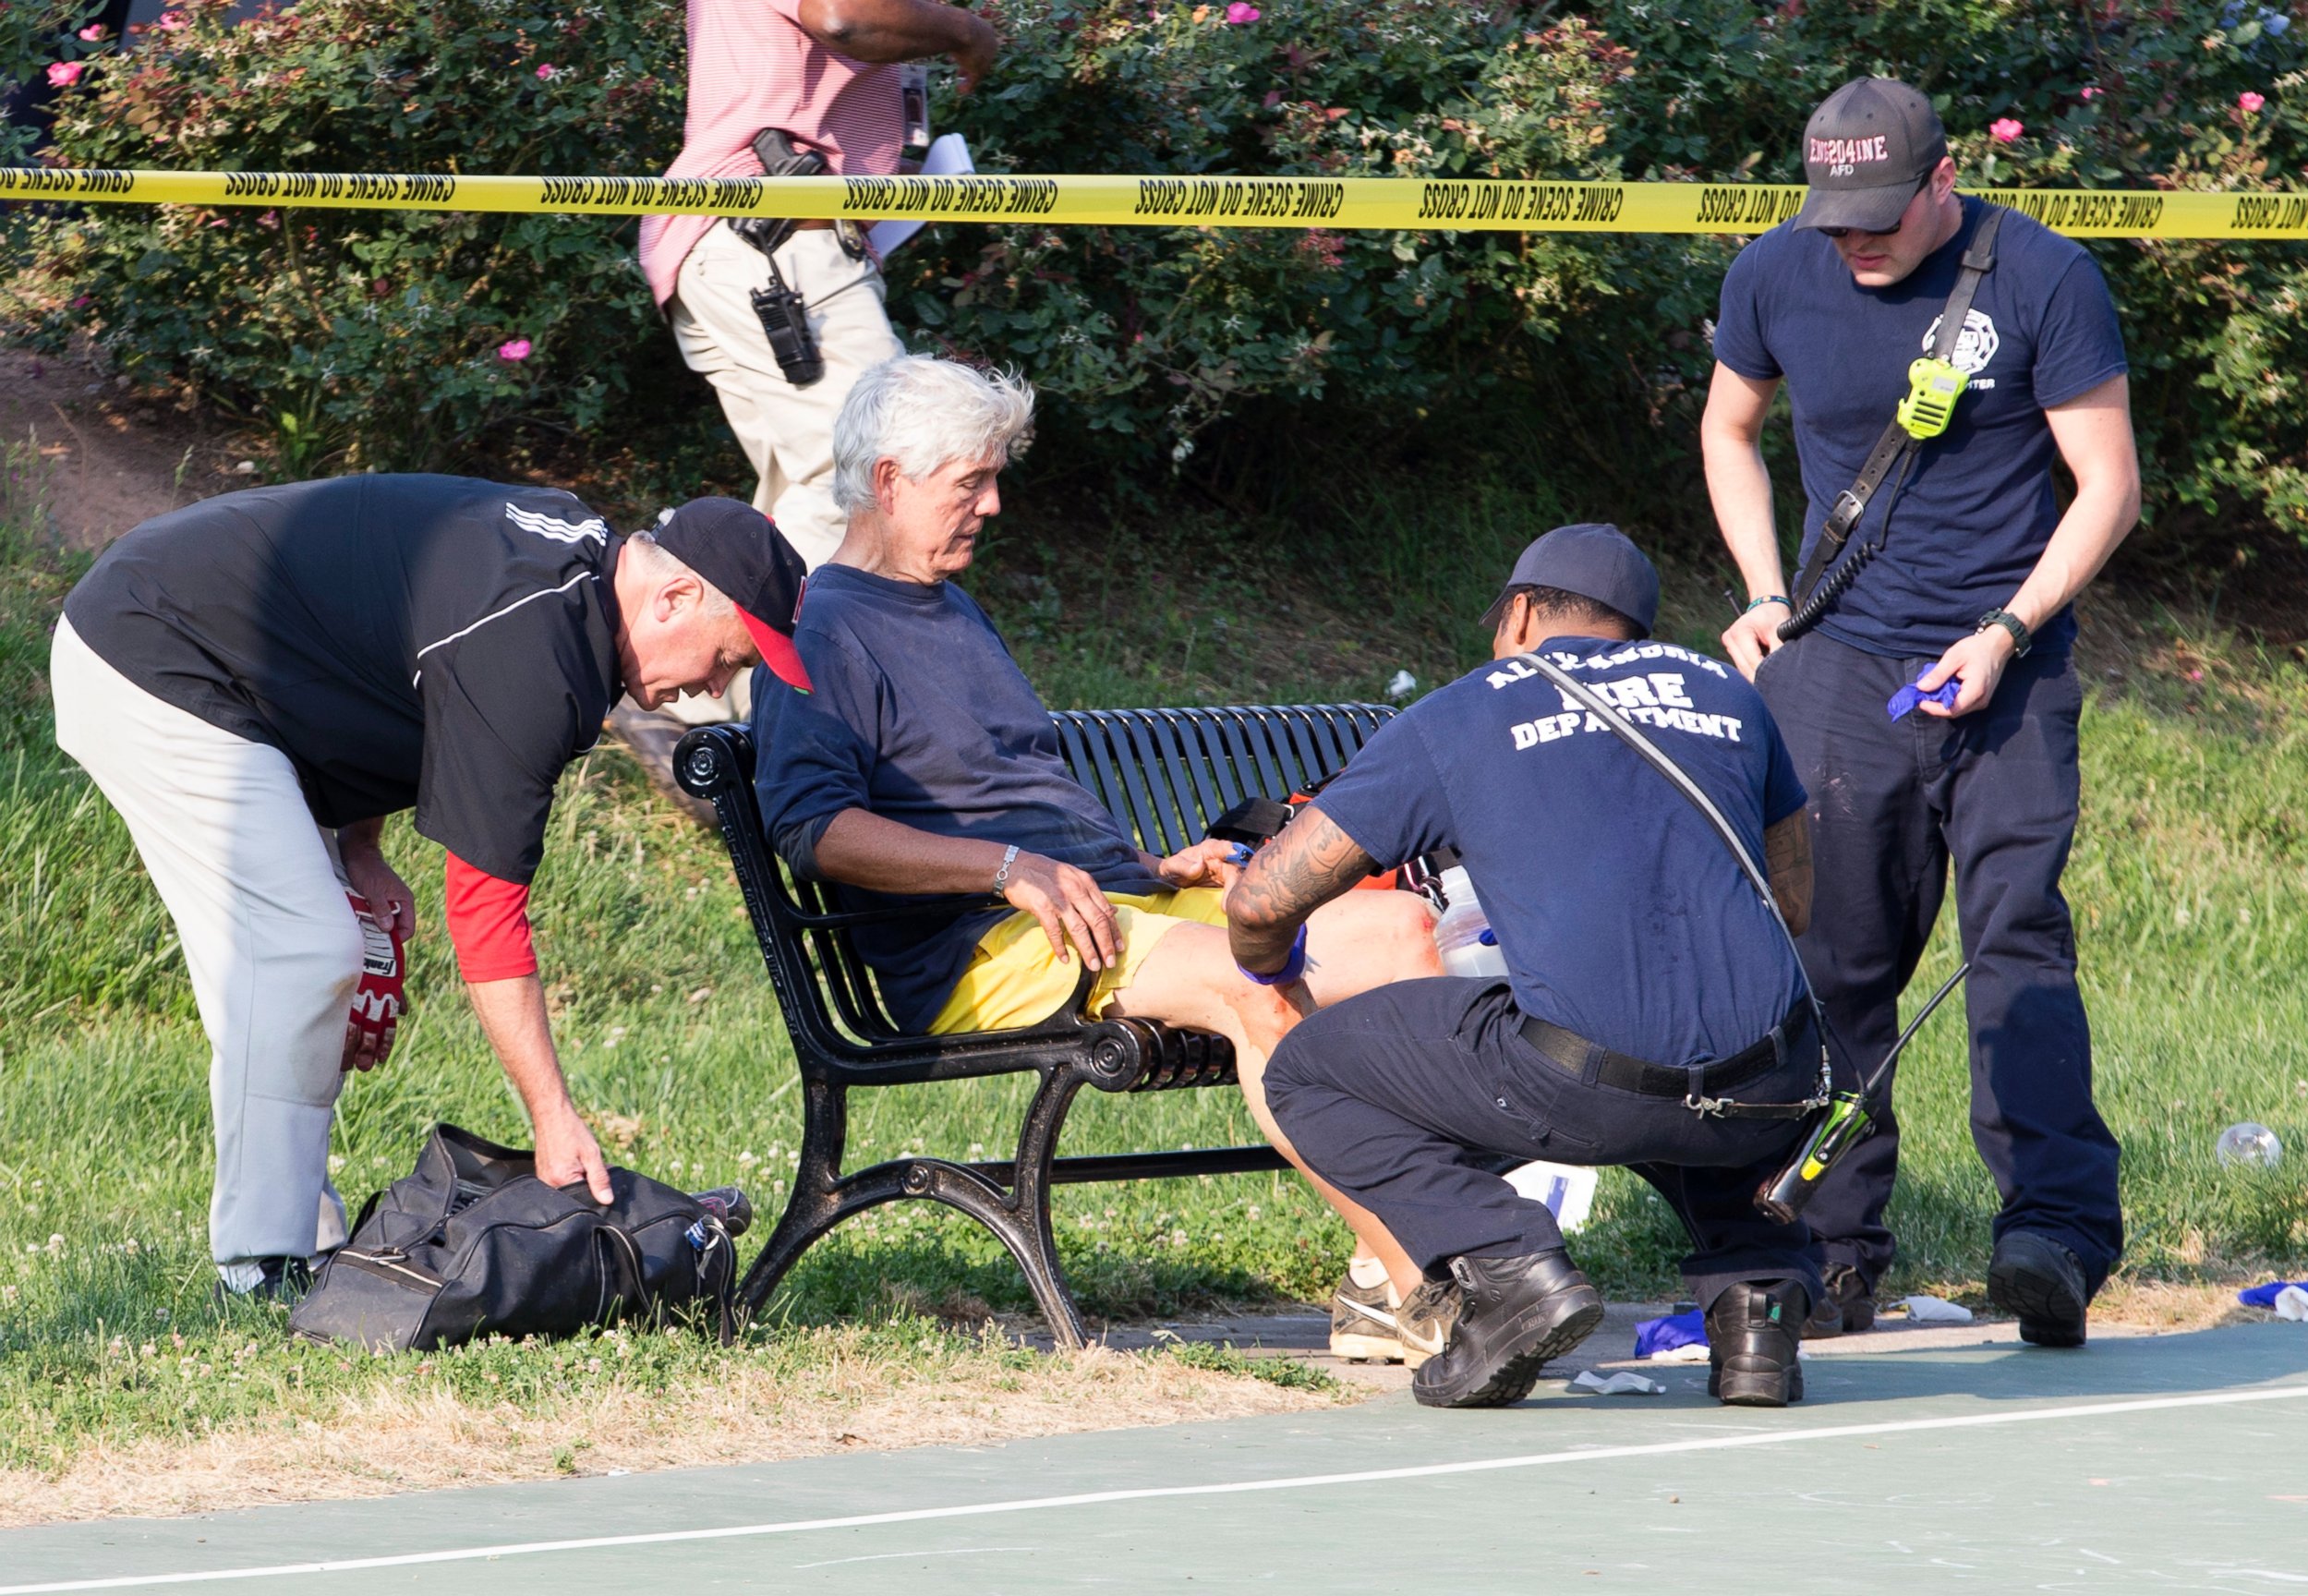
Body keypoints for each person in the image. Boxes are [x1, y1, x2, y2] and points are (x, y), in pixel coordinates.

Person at [748, 355, 1446, 1339]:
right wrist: (1004, 870)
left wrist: (1153, 868)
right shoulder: (820, 629)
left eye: (995, 479)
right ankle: (1435, 1291)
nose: (993, 506)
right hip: (981, 946)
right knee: (1251, 986)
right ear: (890, 480)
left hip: (1092, 906)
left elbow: (1009, 793)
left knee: (1402, 933)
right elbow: (815, 830)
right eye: (971, 483)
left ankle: (1382, 1272)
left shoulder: (947, 604)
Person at [52, 478, 808, 1300]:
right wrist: (552, 1121)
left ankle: (299, 1246)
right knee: (302, 953)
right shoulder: (538, 651)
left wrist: (361, 846)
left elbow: (389, 659)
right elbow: (485, 916)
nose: (711, 687)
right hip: (152, 648)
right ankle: (261, 1265)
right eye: (728, 656)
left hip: (220, 656)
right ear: (675, 596)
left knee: (310, 958)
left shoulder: (580, 570)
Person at [1702, 77, 2141, 1347]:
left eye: (1884, 212)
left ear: (1946, 177)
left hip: (2009, 664)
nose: (1861, 239)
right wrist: (1763, 591)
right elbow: (1731, 427)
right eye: (1838, 217)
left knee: (2014, 944)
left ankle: (2052, 1237)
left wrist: (2008, 632)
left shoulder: (2045, 279)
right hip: (1836, 665)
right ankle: (1834, 1255)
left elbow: (2106, 484)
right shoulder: (1776, 273)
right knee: (1835, 965)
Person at [1230, 524, 1827, 1409]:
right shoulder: (1728, 697)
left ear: (1518, 614)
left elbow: (1262, 899)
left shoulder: (1469, 708)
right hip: (1772, 1087)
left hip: (1585, 1087)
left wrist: (1269, 974)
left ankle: (1510, 1268)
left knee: (1310, 1074)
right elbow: (1795, 902)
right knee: (1694, 1037)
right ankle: (1757, 1309)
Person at [612, 0, 998, 805]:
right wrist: (964, 32)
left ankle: (697, 702)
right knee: (881, 482)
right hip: (777, 234)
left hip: (751, 236)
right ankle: (765, 729)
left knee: (805, 498)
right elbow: (840, 15)